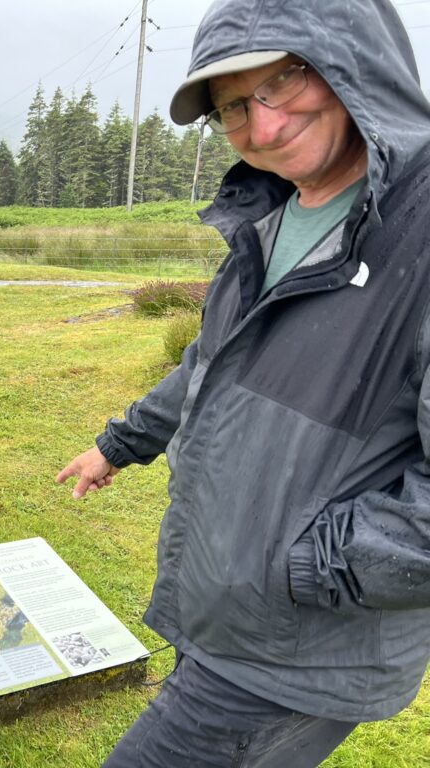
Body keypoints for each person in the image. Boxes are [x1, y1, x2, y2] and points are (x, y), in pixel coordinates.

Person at [56, 1, 430, 765]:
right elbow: (211, 362)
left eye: (285, 80)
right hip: (227, 615)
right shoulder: (273, 218)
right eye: (232, 106)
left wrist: (306, 564)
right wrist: (119, 446)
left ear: (354, 64)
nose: (261, 129)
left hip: (295, 651)